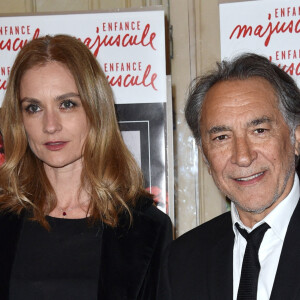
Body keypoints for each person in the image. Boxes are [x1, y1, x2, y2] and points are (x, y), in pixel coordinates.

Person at [0, 34, 172, 300]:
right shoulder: (4, 218)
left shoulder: (145, 227)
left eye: (67, 104)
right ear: (18, 120)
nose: (50, 125)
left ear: (95, 110)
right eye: (33, 107)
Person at [157, 53, 300, 300]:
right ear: (204, 155)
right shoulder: (181, 261)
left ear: (296, 138)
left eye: (259, 130)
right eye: (221, 137)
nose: (242, 156)